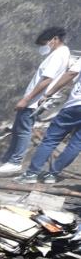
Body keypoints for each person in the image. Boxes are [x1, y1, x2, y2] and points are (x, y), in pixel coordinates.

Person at [0, 26, 71, 175]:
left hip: (34, 101)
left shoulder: (58, 55)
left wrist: (26, 99)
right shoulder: (62, 53)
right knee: (18, 128)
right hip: (34, 99)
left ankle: (15, 161)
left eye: (44, 43)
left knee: (23, 130)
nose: (43, 47)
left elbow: (47, 80)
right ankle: (8, 159)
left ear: (55, 39)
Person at [17, 56, 81, 185]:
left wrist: (49, 93)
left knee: (51, 139)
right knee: (76, 144)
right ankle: (52, 174)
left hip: (76, 105)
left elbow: (72, 72)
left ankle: (31, 173)